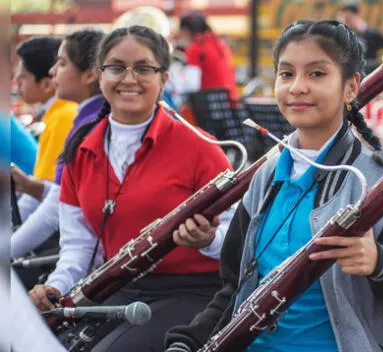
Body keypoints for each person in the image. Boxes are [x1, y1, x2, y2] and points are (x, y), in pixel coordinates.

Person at [165, 20, 383, 352]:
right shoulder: (264, 176)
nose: (296, 87)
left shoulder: (376, 181)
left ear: (352, 87)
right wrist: (186, 342)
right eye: (286, 74)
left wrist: (380, 262)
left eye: (316, 74)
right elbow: (235, 289)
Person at [27, 25, 233, 352]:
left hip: (193, 293)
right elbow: (79, 247)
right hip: (120, 287)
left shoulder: (201, 147)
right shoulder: (81, 148)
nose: (128, 78)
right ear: (99, 75)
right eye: (116, 67)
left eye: (143, 68)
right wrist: (56, 287)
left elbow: (239, 239)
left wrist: (208, 239)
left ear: (164, 79)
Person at [11, 29, 106, 261]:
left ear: (90, 74)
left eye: (61, 64)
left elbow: (53, 207)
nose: (54, 72)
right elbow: (57, 195)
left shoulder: (67, 117)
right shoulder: (73, 117)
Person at [176, 11, 238, 99]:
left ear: (186, 31)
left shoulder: (196, 48)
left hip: (208, 105)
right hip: (230, 104)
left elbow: (191, 85)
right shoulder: (220, 44)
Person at [337, 3, 383, 74]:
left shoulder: (371, 33)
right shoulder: (344, 34)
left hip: (367, 72)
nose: (345, 21)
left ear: (356, 16)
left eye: (348, 18)